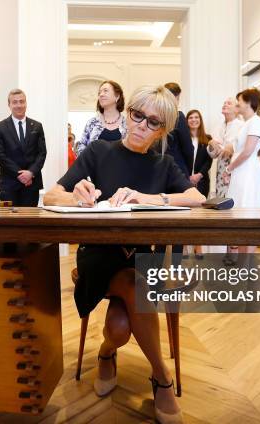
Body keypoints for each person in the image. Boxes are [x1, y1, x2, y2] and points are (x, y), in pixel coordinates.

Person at [44, 85, 205, 423]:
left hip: (141, 259)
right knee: (135, 286)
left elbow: (196, 198)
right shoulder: (99, 151)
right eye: (137, 115)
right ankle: (162, 378)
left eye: (153, 122)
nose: (141, 126)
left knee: (119, 327)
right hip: (98, 256)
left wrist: (148, 197)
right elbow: (50, 196)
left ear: (162, 130)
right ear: (127, 111)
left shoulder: (163, 163)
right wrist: (77, 195)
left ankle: (106, 353)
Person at [224, 88, 260, 254]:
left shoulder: (256, 121)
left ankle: (246, 262)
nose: (237, 104)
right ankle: (242, 261)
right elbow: (234, 148)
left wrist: (229, 168)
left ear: (248, 102)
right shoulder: (245, 124)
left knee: (248, 213)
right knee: (239, 214)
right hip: (240, 173)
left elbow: (248, 151)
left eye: (239, 101)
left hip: (247, 172)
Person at [0, 89, 47, 207]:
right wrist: (20, 174)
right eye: (15, 102)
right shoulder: (0, 127)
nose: (19, 105)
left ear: (26, 103)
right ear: (9, 105)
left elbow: (42, 153)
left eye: (22, 101)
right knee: (9, 223)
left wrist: (30, 173)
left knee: (30, 222)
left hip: (31, 184)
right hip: (8, 184)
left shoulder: (37, 126)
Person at [186, 109, 213, 259]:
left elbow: (209, 160)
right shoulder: (183, 138)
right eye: (191, 117)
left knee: (199, 215)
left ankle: (198, 246)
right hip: (184, 180)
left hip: (202, 181)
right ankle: (183, 246)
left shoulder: (207, 139)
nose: (194, 120)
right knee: (184, 214)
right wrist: (187, 177)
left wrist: (199, 175)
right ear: (187, 121)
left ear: (200, 120)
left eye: (196, 117)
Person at [76, 80, 127, 155]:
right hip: (94, 166)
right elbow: (81, 145)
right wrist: (89, 160)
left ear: (117, 96)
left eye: (105, 91)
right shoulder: (92, 122)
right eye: (99, 93)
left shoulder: (127, 124)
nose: (101, 94)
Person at [208, 98, 244, 197]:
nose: (225, 104)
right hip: (220, 168)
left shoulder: (242, 126)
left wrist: (229, 148)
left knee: (233, 198)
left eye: (229, 103)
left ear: (236, 109)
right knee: (221, 199)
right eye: (224, 103)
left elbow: (242, 148)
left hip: (235, 167)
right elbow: (213, 154)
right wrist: (211, 145)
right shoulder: (218, 126)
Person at [162, 82, 194, 175]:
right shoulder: (178, 116)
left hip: (159, 168)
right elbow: (188, 148)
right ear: (176, 97)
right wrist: (188, 170)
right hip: (176, 168)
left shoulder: (156, 116)